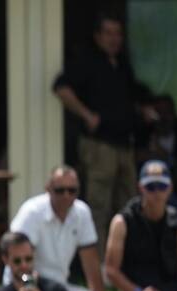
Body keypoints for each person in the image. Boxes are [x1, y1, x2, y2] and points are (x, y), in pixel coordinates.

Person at [53, 12, 156, 250]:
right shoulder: (87, 61)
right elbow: (61, 88)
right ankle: (98, 265)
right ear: (98, 36)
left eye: (118, 34)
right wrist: (87, 115)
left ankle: (124, 262)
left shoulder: (122, 66)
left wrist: (144, 111)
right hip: (99, 146)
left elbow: (131, 98)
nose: (114, 39)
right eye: (108, 33)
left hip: (124, 145)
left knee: (129, 206)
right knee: (99, 207)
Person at [105, 160, 177, 291]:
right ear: (140, 187)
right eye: (151, 186)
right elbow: (111, 270)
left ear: (170, 188)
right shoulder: (122, 222)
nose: (157, 192)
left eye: (162, 186)